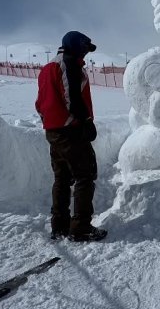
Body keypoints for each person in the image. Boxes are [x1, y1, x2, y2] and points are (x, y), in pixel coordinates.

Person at [35, 31, 107, 243]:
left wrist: (49, 122)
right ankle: (81, 228)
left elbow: (40, 103)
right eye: (85, 48)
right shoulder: (67, 64)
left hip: (54, 132)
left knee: (62, 178)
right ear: (76, 45)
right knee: (85, 176)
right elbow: (71, 97)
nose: (86, 53)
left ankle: (60, 226)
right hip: (71, 131)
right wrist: (85, 122)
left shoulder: (47, 68)